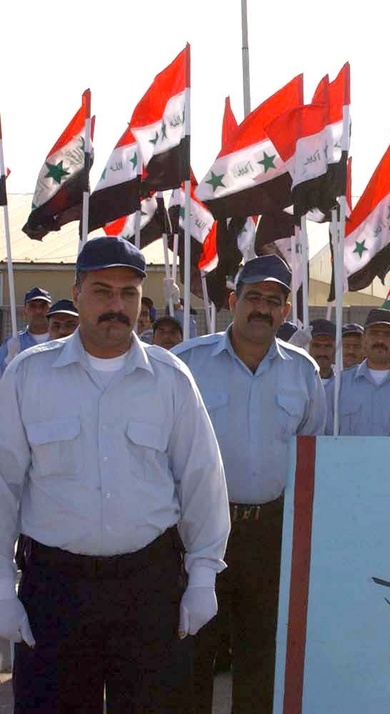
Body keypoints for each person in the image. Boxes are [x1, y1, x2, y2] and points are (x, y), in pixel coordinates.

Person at [0, 236, 229, 711]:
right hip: (55, 589)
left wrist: (203, 575)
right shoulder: (29, 376)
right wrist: (3, 588)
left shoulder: (171, 379)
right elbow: (3, 485)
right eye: (102, 291)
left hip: (148, 587)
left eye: (128, 293)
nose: (116, 305)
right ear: (79, 292)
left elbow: (202, 479)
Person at [174, 253, 326, 714]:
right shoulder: (187, 363)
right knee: (192, 652)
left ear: (285, 310)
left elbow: (311, 456)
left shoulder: (303, 371)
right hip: (196, 533)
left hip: (269, 534)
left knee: (262, 655)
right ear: (232, 300)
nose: (262, 308)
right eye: (253, 296)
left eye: (274, 300)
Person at [0, 287, 52, 374]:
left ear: (50, 311)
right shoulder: (12, 343)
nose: (38, 311)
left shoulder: (61, 341)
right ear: (25, 312)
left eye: (43, 306)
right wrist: (9, 361)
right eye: (32, 306)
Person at [307, 318, 336, 385]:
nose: (322, 352)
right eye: (316, 345)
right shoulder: (295, 381)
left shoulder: (344, 383)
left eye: (328, 346)